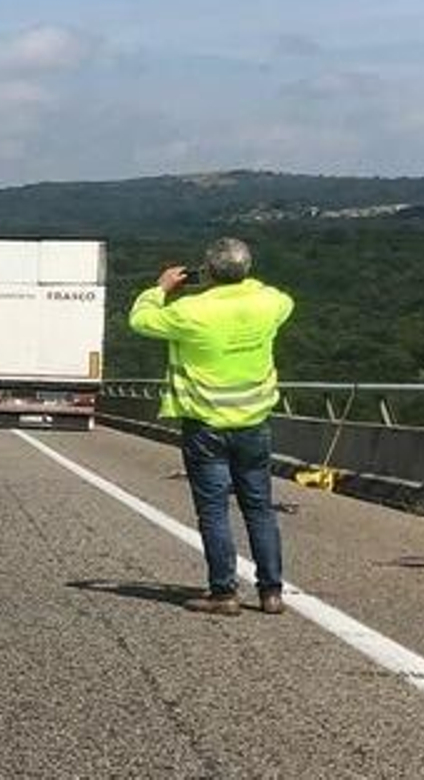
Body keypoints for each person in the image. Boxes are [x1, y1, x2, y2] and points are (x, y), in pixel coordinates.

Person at [128, 237, 294, 616]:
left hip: (206, 424)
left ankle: (224, 592)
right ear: (246, 270)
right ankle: (271, 592)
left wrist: (161, 288)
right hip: (254, 421)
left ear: (209, 270)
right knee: (259, 508)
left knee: (214, 509)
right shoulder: (268, 303)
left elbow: (139, 321)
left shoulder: (191, 310)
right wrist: (241, 283)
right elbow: (282, 298)